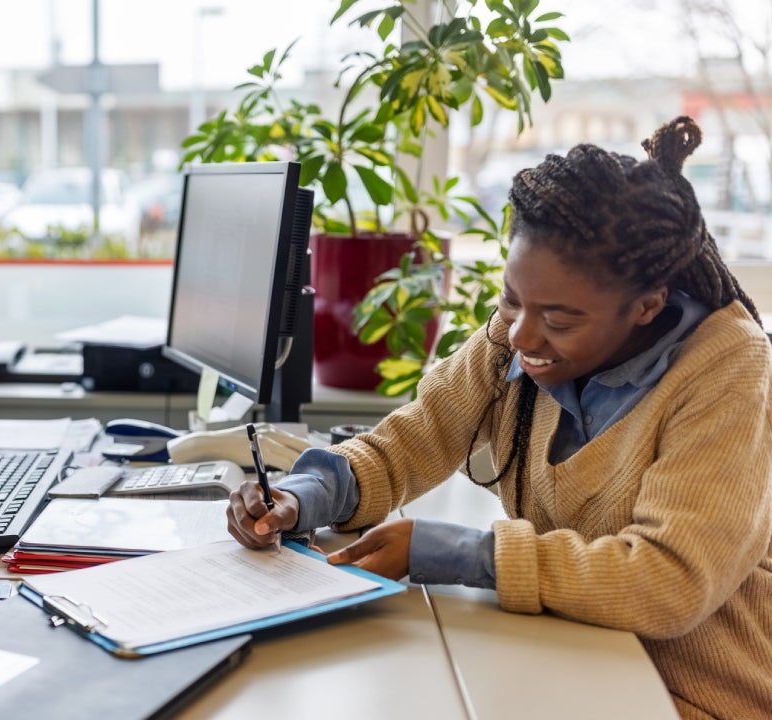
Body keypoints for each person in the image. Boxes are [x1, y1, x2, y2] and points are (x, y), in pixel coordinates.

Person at [228, 117, 771, 719]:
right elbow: (415, 438)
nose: (521, 333)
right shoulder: (521, 332)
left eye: (560, 320)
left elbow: (670, 580)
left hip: (693, 695)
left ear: (648, 305)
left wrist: (460, 555)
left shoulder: (728, 369)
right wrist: (305, 496)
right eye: (512, 297)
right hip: (573, 653)